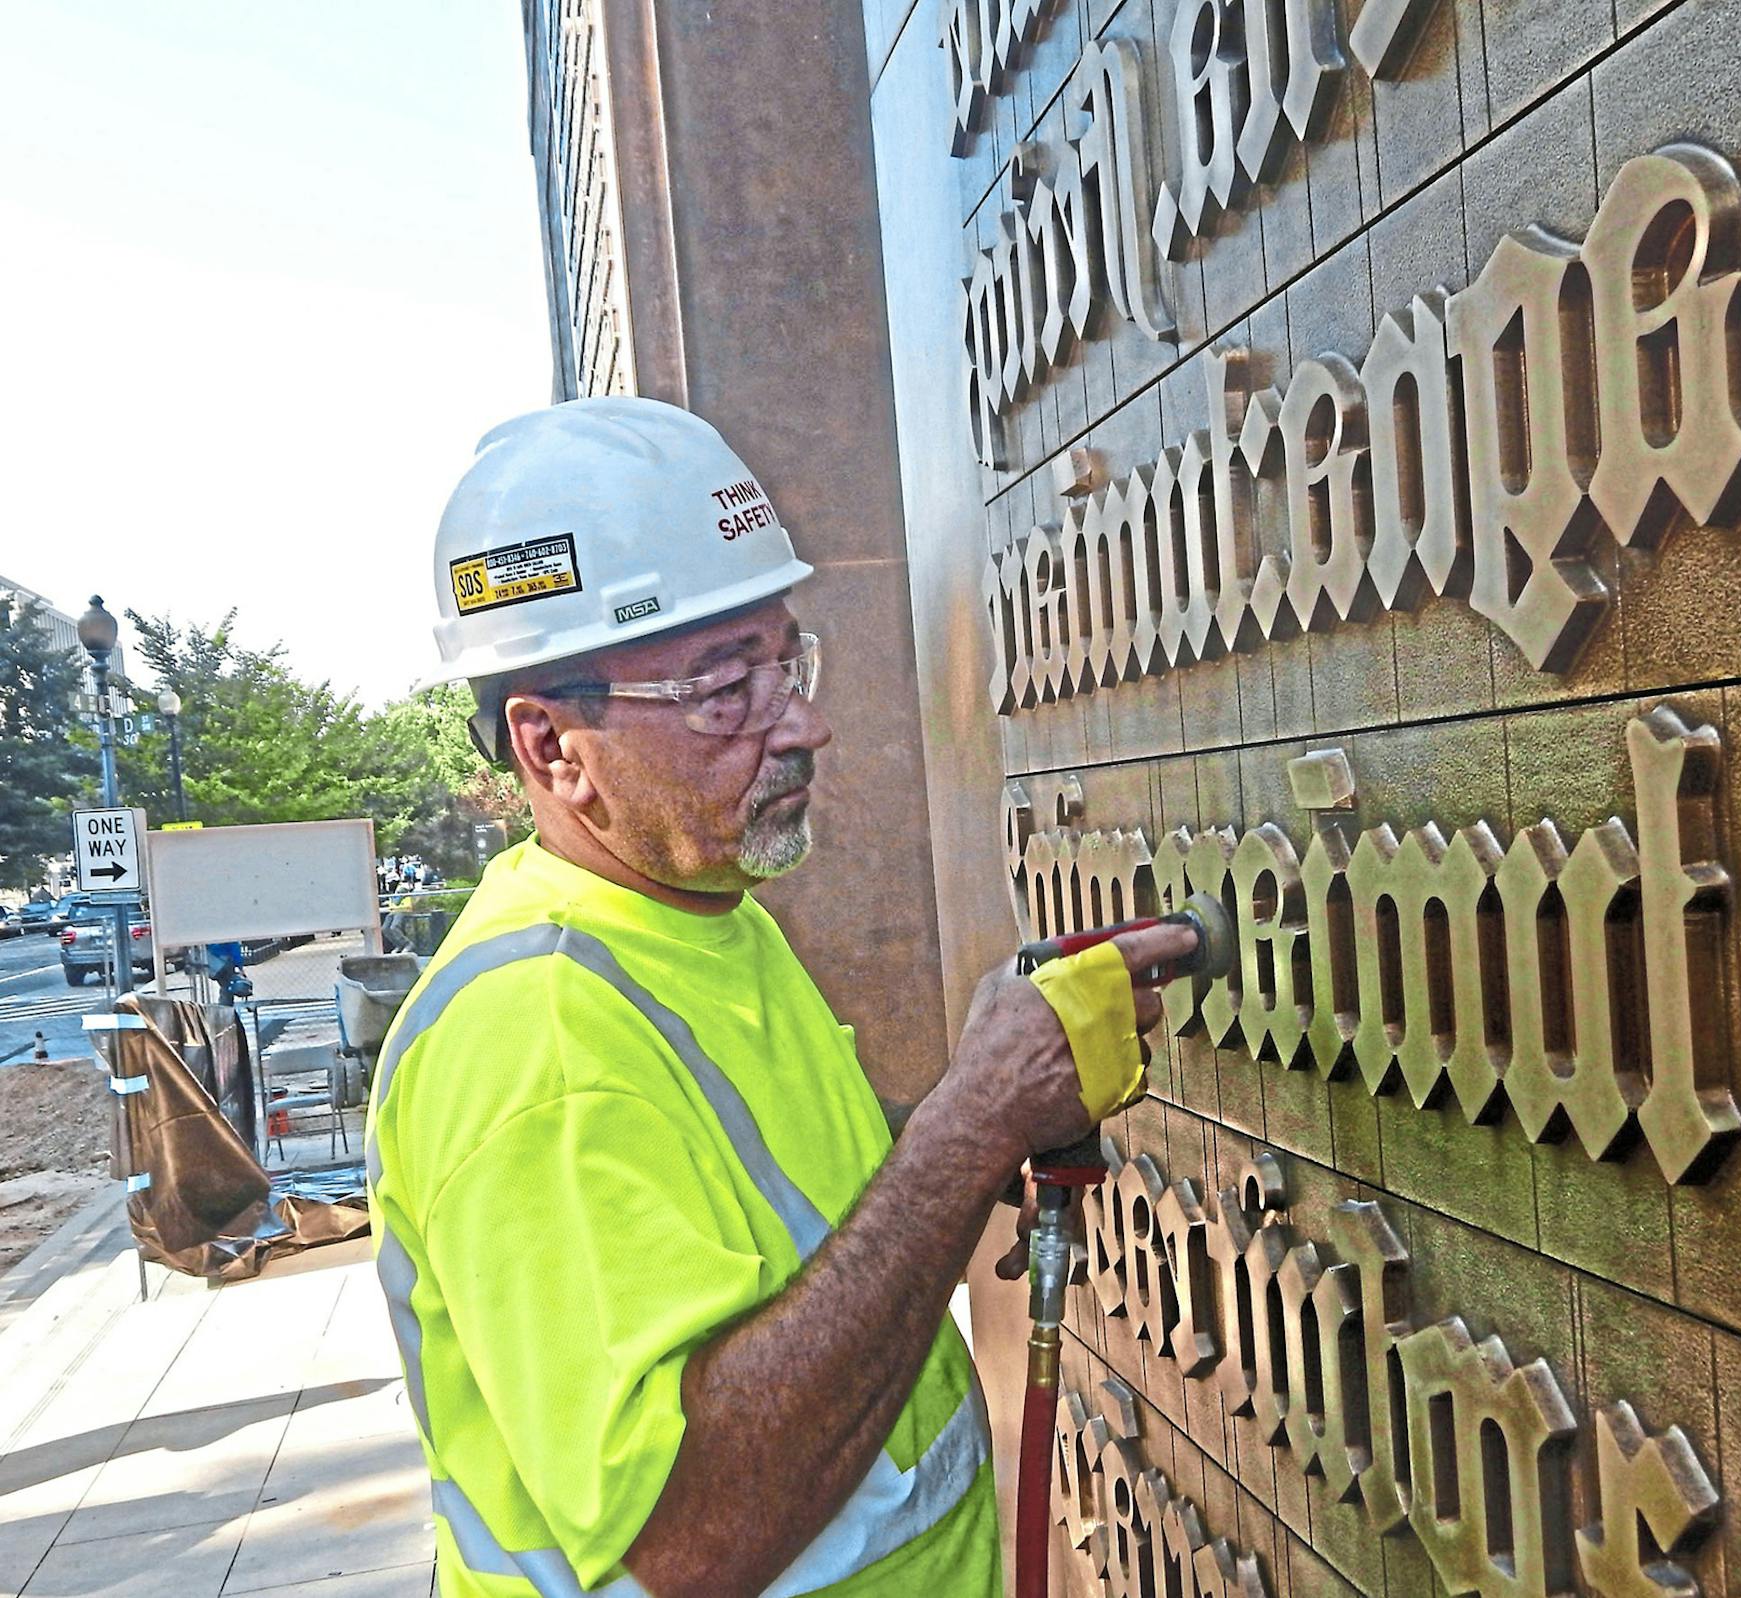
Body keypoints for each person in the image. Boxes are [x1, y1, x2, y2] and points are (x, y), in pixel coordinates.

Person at [367, 396, 1190, 1598]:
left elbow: (791, 1260)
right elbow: (690, 1540)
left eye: (783, 661)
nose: (800, 721)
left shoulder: (695, 919)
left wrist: (977, 1106)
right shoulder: (534, 1041)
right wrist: (971, 1127)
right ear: (552, 748)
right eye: (720, 688)